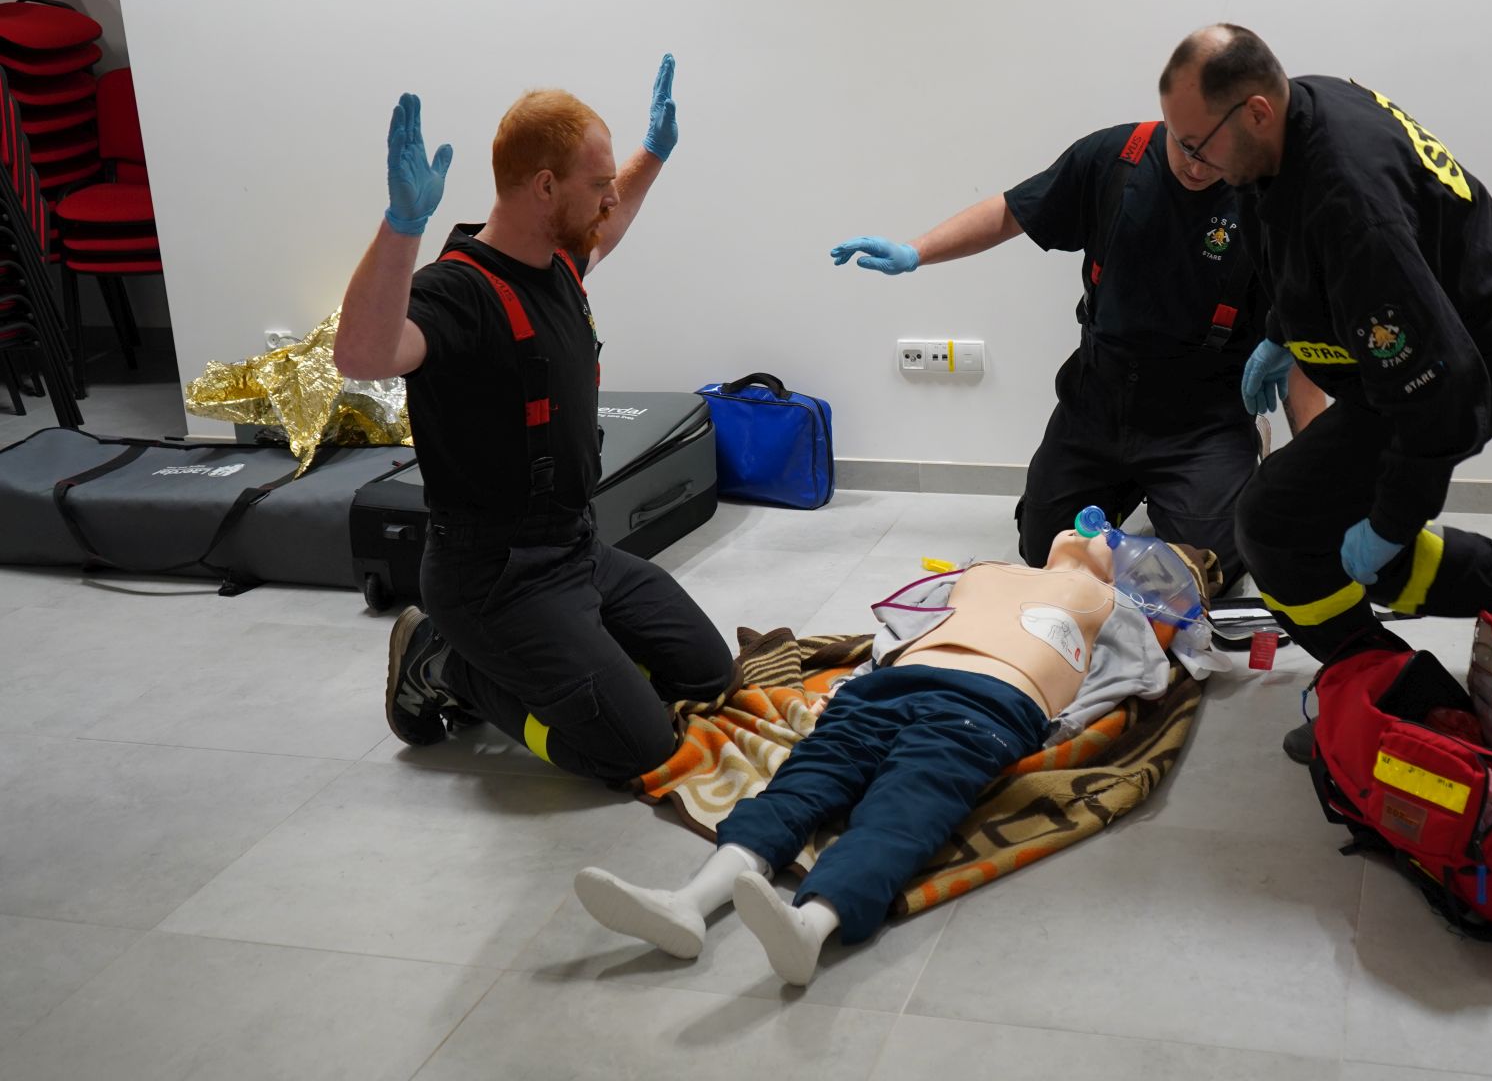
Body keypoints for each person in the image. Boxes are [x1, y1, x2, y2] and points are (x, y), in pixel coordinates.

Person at [1155, 25, 1492, 762]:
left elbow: (1436, 395)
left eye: (1196, 143)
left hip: (1459, 365)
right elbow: (1293, 245)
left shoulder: (1350, 202)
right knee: (1338, 532)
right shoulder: (1294, 119)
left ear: (1256, 111)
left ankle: (1401, 700)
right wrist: (1282, 332)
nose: (1190, 162)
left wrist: (1396, 519)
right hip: (1420, 345)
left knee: (1277, 526)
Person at [333, 58, 734, 787]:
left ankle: (572, 663)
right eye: (598, 182)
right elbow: (362, 355)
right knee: (637, 750)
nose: (610, 197)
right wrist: (402, 225)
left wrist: (654, 154)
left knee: (708, 677)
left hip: (576, 548)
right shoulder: (456, 293)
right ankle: (447, 665)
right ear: (545, 186)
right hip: (492, 577)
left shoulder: (559, 263)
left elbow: (612, 224)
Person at [571, 525, 1182, 986]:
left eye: (1110, 534)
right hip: (885, 688)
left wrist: (1057, 721)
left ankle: (811, 926)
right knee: (803, 783)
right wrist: (856, 678)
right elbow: (902, 629)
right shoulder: (983, 569)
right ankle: (687, 904)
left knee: (904, 810)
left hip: (988, 706)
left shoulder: (1115, 604)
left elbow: (1134, 676)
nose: (1092, 529)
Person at [829, 119, 1326, 583]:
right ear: (1173, 114)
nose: (1197, 167)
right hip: (1099, 397)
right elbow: (1012, 211)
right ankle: (1129, 492)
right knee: (1044, 550)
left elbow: (1295, 345)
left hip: (1203, 416)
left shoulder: (1267, 200)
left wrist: (1314, 464)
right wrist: (915, 252)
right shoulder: (1117, 157)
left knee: (1213, 565)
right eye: (1187, 149)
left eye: (1213, 156)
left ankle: (1211, 478)